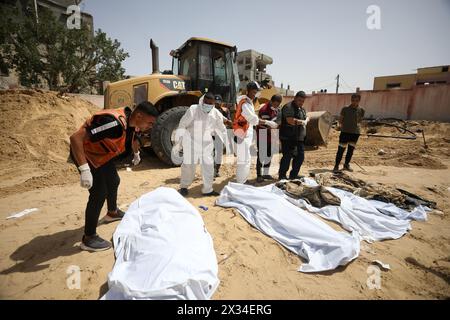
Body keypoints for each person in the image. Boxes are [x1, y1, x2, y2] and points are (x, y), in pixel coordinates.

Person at [70, 101, 159, 252]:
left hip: (102, 155)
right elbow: (75, 138)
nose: (150, 127)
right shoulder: (112, 123)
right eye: (150, 123)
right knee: (99, 193)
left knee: (114, 180)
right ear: (139, 116)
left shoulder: (131, 122)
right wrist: (84, 169)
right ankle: (89, 237)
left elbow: (132, 138)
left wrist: (136, 153)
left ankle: (112, 212)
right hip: (87, 155)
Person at [177, 92, 227, 197]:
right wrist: (179, 141)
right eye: (206, 102)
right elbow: (182, 124)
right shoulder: (193, 109)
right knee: (189, 166)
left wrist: (226, 142)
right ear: (203, 101)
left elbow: (222, 128)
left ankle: (207, 189)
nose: (208, 105)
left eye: (211, 103)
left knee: (208, 166)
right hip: (191, 141)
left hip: (207, 143)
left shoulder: (215, 113)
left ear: (214, 104)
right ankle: (184, 187)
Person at [233, 81, 275, 184]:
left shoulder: (249, 101)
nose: (255, 93)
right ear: (248, 91)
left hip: (244, 134)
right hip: (241, 135)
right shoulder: (244, 103)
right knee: (244, 161)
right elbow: (252, 119)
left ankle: (242, 180)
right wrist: (267, 122)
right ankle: (241, 182)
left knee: (245, 160)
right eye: (253, 91)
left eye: (257, 91)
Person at [278, 91, 310, 180]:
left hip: (299, 138)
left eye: (303, 101)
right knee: (287, 157)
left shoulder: (302, 109)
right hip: (288, 137)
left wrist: (306, 119)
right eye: (299, 100)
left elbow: (306, 116)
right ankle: (282, 175)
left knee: (300, 157)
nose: (301, 103)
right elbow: (290, 120)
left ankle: (293, 175)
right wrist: (302, 122)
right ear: (295, 98)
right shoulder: (288, 107)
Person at [333, 93, 365, 172]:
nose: (354, 102)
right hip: (345, 133)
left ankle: (346, 165)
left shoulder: (361, 110)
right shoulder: (345, 109)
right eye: (353, 100)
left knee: (350, 150)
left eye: (356, 101)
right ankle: (336, 166)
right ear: (351, 100)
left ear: (359, 101)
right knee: (341, 150)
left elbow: (360, 120)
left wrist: (356, 127)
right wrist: (341, 126)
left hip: (355, 134)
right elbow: (341, 119)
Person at [256, 94, 282, 183]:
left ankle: (266, 173)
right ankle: (259, 175)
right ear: (271, 101)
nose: (277, 106)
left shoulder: (276, 110)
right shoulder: (264, 110)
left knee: (269, 155)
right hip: (263, 135)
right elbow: (263, 124)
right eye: (276, 104)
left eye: (278, 105)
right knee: (261, 156)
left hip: (272, 136)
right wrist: (273, 127)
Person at [213, 94, 232, 178]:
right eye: (215, 102)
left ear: (221, 102)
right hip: (211, 135)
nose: (217, 104)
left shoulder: (225, 111)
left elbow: (229, 121)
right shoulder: (210, 111)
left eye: (219, 102)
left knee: (219, 154)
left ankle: (216, 170)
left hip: (221, 135)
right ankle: (211, 172)